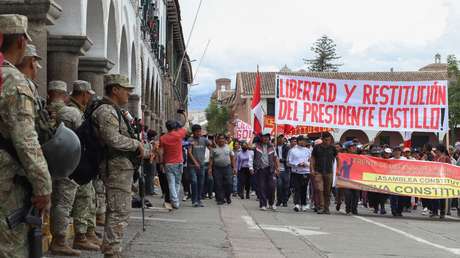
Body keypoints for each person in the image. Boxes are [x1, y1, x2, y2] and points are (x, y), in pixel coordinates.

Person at [0, 14, 52, 258]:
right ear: (21, 41)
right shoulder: (14, 80)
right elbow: (25, 139)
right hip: (6, 180)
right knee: (10, 247)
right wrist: (43, 185)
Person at [93, 74, 143, 257]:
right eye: (126, 90)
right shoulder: (106, 110)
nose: (128, 94)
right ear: (115, 90)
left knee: (118, 210)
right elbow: (112, 138)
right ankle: (112, 252)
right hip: (115, 166)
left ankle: (111, 248)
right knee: (119, 211)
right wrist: (136, 144)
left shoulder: (115, 110)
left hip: (120, 166)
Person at [61, 81, 102, 251]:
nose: (90, 97)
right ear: (83, 93)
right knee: (67, 202)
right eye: (89, 94)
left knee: (87, 198)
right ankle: (65, 239)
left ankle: (85, 234)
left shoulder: (79, 111)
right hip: (71, 164)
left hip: (79, 163)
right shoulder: (71, 112)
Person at [46, 80, 83, 256]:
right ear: (65, 95)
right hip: (66, 161)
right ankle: (59, 240)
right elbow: (80, 135)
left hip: (44, 161)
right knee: (63, 202)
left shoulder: (42, 108)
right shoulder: (71, 112)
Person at [160, 119, 187, 209]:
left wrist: (161, 163)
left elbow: (161, 152)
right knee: (177, 182)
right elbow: (185, 128)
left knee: (171, 182)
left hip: (168, 163)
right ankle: (175, 201)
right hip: (179, 162)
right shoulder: (178, 135)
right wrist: (183, 118)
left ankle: (174, 201)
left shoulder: (163, 138)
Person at [310, 133, 337, 214]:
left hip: (329, 172)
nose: (328, 141)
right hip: (318, 171)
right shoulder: (317, 147)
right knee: (319, 189)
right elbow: (312, 158)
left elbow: (338, 158)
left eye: (329, 140)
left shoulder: (333, 148)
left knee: (327, 191)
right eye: (326, 140)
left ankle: (326, 208)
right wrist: (312, 169)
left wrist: (339, 169)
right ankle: (321, 207)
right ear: (322, 139)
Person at [253, 133, 280, 211]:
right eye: (264, 137)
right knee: (262, 187)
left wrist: (277, 168)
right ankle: (263, 204)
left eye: (267, 137)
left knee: (272, 187)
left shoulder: (272, 147)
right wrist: (252, 167)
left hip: (270, 169)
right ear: (261, 138)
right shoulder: (256, 146)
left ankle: (271, 203)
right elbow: (251, 155)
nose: (266, 139)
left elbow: (276, 158)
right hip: (260, 169)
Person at [187, 124, 210, 207]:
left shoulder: (204, 140)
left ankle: (199, 199)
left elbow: (211, 147)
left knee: (201, 182)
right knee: (194, 181)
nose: (199, 133)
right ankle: (194, 200)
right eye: (197, 132)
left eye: (200, 131)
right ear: (193, 132)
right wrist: (195, 162)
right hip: (192, 165)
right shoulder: (190, 140)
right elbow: (189, 152)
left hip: (202, 165)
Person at [209, 134, 236, 205]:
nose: (221, 140)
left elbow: (232, 157)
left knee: (229, 183)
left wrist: (234, 167)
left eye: (222, 138)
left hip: (227, 168)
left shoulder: (228, 147)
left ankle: (227, 196)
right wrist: (210, 169)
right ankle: (220, 199)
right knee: (218, 184)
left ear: (225, 140)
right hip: (217, 168)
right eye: (219, 139)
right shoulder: (214, 148)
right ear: (217, 140)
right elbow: (211, 159)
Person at [287, 135, 311, 212]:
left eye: (306, 141)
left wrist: (306, 164)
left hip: (306, 172)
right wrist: (297, 164)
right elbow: (288, 162)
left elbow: (311, 161)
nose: (305, 142)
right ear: (299, 141)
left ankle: (303, 204)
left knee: (304, 189)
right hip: (296, 172)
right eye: (304, 140)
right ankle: (297, 204)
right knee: (296, 188)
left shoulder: (308, 151)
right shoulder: (292, 150)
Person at [432, 144, 450, 219]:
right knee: (434, 196)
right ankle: (435, 211)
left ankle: (442, 212)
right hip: (436, 179)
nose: (436, 152)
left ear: (441, 151)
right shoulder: (435, 158)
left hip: (443, 179)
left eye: (437, 151)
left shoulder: (446, 158)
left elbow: (450, 168)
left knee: (442, 196)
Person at [276, 134, 291, 207]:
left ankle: (285, 201)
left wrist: (282, 160)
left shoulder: (287, 148)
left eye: (282, 138)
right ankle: (279, 200)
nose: (281, 140)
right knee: (279, 186)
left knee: (286, 186)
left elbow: (289, 159)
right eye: (280, 138)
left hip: (286, 169)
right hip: (278, 169)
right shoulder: (274, 147)